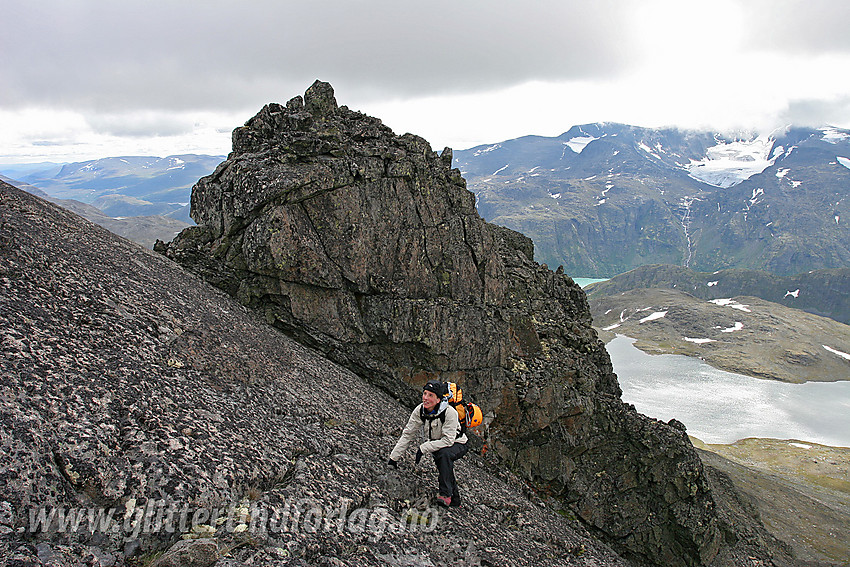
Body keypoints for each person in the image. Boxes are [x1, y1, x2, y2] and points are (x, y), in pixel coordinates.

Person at [387, 379, 468, 507]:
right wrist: (393, 458)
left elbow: (448, 440)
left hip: (458, 443)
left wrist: (424, 447)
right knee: (443, 464)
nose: (425, 398)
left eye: (430, 395)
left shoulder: (449, 413)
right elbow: (408, 434)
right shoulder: (420, 410)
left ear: (438, 399)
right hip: (438, 443)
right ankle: (455, 499)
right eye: (424, 393)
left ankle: (445, 495)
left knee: (444, 455)